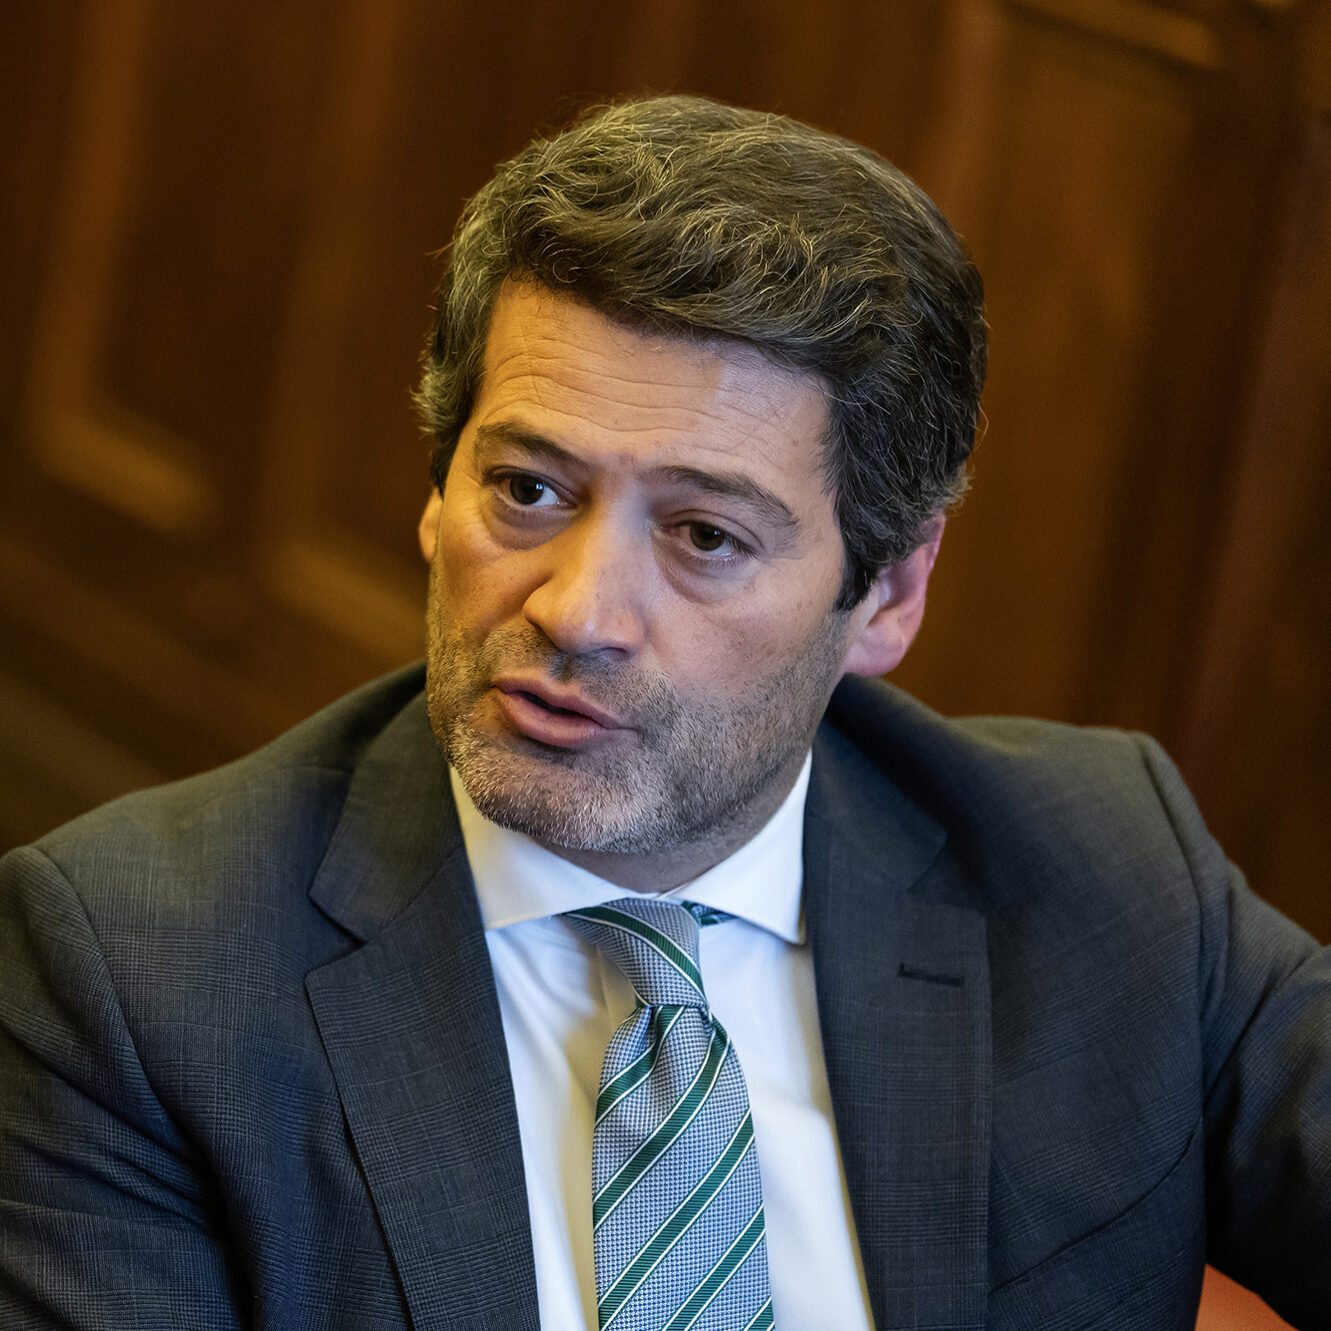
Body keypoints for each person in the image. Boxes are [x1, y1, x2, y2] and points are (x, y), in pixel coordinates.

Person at [1, 95, 1327, 1331]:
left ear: (887, 595)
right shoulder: (134, 978)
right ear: (435, 494)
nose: (577, 611)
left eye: (703, 536)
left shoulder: (1107, 876)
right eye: (527, 489)